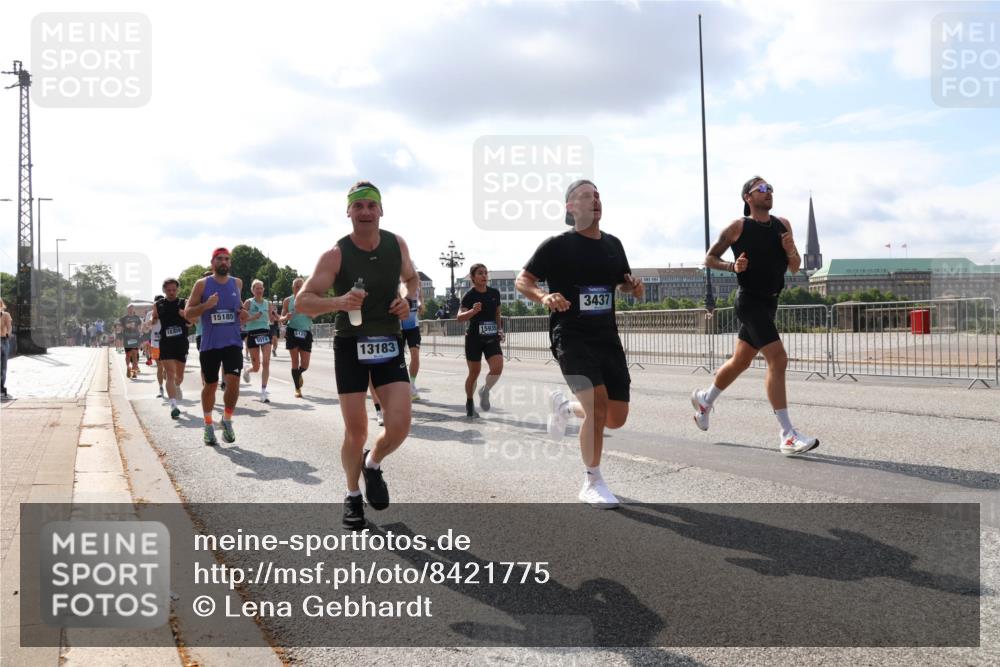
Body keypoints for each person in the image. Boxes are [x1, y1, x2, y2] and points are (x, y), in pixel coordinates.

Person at [295, 181, 419, 530]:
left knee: (400, 425)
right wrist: (338, 302)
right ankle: (352, 495)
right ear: (348, 211)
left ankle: (373, 464)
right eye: (358, 206)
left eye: (371, 205)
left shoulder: (397, 244)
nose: (365, 212)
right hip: (350, 344)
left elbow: (411, 280)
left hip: (388, 340)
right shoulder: (335, 254)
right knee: (356, 430)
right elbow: (304, 301)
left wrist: (407, 301)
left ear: (381, 210)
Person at [516, 179, 644, 509]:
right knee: (598, 409)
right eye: (585, 196)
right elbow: (523, 280)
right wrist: (544, 296)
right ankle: (592, 481)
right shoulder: (557, 245)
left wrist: (633, 288)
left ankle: (564, 409)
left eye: (597, 195)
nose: (594, 200)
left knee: (615, 416)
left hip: (607, 338)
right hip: (570, 336)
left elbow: (622, 283)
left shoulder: (614, 245)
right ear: (571, 208)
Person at [692, 176, 819, 456]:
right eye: (761, 189)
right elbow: (709, 259)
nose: (768, 192)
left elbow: (795, 267)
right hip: (749, 302)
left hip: (770, 302)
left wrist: (790, 251)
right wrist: (732, 266)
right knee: (778, 358)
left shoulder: (782, 225)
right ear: (748, 197)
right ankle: (787, 434)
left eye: (770, 188)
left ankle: (705, 400)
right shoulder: (738, 227)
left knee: (740, 361)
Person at [186, 248, 247, 445]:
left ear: (230, 263)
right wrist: (205, 306)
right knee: (210, 385)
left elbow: (238, 309)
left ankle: (227, 419)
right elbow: (188, 313)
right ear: (212, 262)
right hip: (210, 344)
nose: (224, 262)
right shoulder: (202, 284)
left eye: (227, 259)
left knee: (234, 381)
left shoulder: (237, 283)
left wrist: (242, 313)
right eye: (220, 259)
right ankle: (208, 424)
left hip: (233, 342)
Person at [457, 264, 504, 418]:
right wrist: (473, 311)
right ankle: (469, 402)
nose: (484, 276)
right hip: (474, 339)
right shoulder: (469, 296)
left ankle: (485, 391)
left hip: (491, 337)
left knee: (497, 368)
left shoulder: (494, 293)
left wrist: (500, 329)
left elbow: (497, 314)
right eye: (480, 273)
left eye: (485, 273)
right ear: (473, 277)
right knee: (474, 373)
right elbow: (459, 318)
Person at [152, 279, 190, 418]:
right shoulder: (158, 304)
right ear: (164, 290)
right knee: (169, 373)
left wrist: (185, 315)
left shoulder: (184, 303)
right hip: (166, 342)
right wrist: (151, 322)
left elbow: (191, 323)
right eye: (169, 290)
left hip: (181, 342)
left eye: (174, 290)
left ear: (177, 290)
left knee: (179, 376)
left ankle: (177, 385)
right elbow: (154, 318)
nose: (172, 292)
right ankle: (173, 405)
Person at [280, 278, 314, 399]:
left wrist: (308, 311)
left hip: (305, 332)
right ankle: (297, 388)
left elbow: (315, 314)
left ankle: (298, 374)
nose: (298, 288)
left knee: (305, 365)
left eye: (301, 286)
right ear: (293, 288)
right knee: (295, 361)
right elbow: (281, 318)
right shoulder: (287, 301)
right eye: (296, 286)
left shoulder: (309, 300)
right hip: (292, 331)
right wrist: (285, 317)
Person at [242, 279, 273, 403]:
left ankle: (263, 392)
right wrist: (253, 317)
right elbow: (241, 320)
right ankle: (248, 370)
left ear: (263, 289)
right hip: (253, 334)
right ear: (252, 290)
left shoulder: (268, 303)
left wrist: (282, 318)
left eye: (261, 288)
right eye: (257, 288)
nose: (259, 290)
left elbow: (272, 318)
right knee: (256, 367)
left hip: (265, 333)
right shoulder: (248, 303)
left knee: (266, 362)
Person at [399, 279, 422, 400]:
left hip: (413, 326)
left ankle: (412, 385)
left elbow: (420, 298)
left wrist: (420, 305)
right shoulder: (397, 284)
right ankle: (401, 385)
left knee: (415, 356)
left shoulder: (418, 283)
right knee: (398, 358)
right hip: (399, 327)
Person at [145, 297, 165, 396]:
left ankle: (167, 381)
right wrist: (149, 323)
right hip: (155, 342)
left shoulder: (167, 312)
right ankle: (161, 387)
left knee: (166, 365)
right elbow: (146, 328)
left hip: (166, 342)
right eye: (157, 304)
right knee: (159, 366)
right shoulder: (150, 314)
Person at [120, 306, 144, 378]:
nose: (130, 310)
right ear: (127, 310)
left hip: (135, 338)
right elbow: (120, 328)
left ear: (134, 309)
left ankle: (134, 372)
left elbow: (140, 327)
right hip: (127, 338)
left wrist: (140, 335)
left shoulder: (137, 318)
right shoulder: (123, 318)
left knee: (134, 354)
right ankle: (128, 367)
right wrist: (127, 326)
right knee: (128, 355)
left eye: (132, 309)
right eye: (129, 309)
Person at [1, 298, 12, 401]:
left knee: (3, 366)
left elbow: (9, 326)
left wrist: (8, 333)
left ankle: (1, 386)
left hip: (3, 340)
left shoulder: (6, 315)